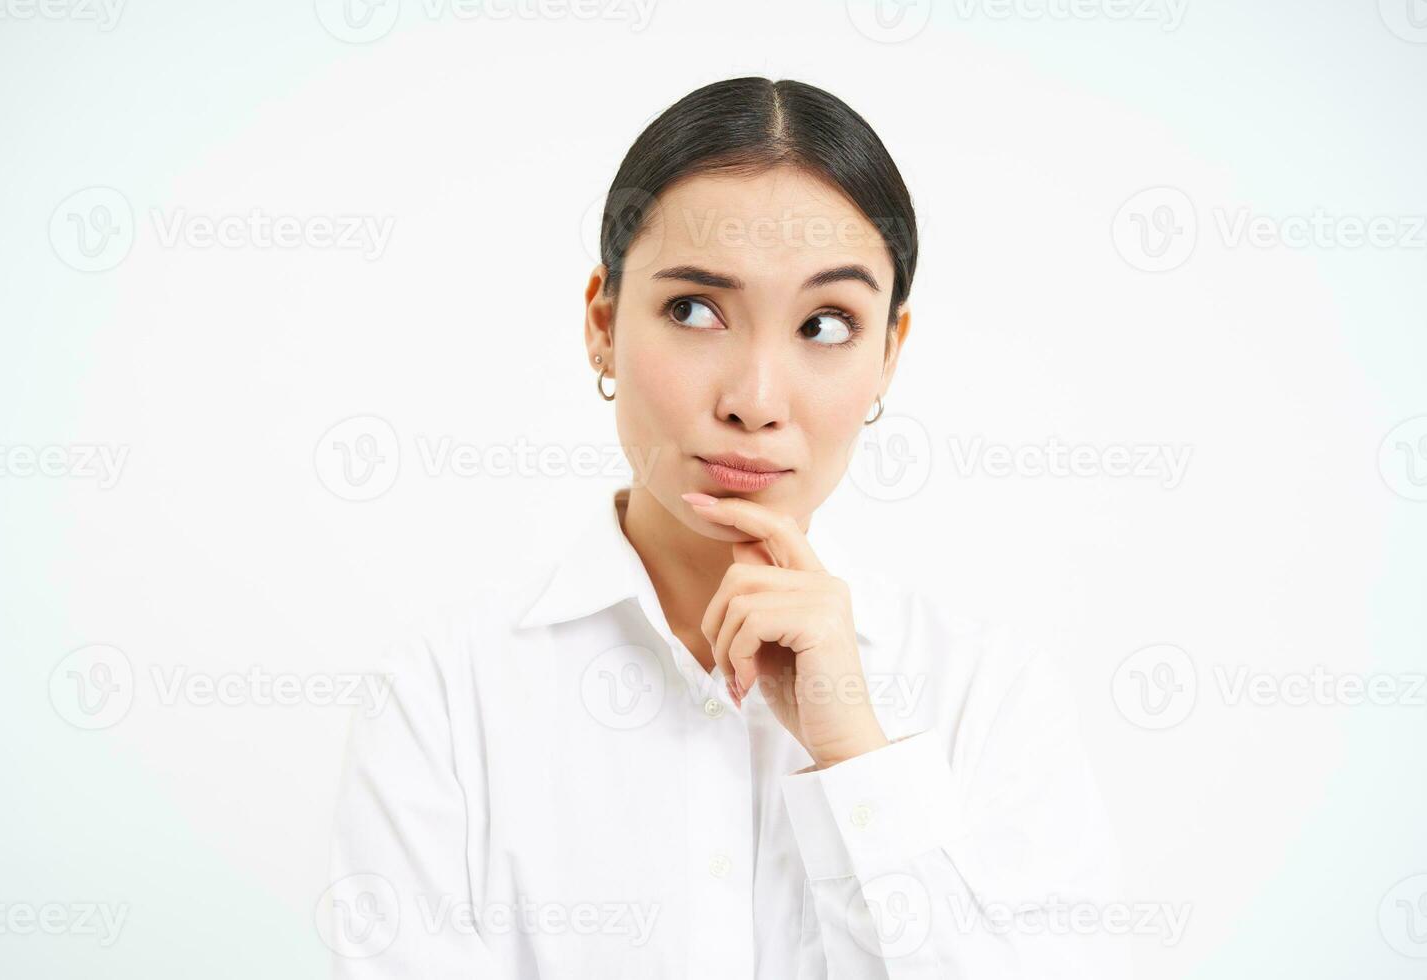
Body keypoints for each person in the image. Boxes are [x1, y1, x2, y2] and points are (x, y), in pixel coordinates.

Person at [325, 75, 1131, 979]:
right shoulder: (441, 699)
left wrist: (855, 755)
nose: (754, 401)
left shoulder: (993, 700)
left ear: (889, 356)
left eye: (826, 324)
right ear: (601, 323)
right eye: (694, 310)